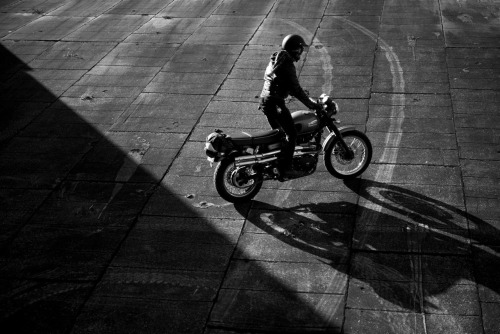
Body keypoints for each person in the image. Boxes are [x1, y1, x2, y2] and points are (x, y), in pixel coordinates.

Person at [259, 34, 320, 179]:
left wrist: (292, 92)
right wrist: (312, 105)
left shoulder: (278, 59)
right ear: (295, 49)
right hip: (274, 103)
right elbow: (296, 89)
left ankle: (275, 162)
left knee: (279, 134)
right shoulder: (286, 64)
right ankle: (285, 169)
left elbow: (284, 84)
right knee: (291, 134)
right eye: (300, 48)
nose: (301, 51)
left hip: (266, 101)